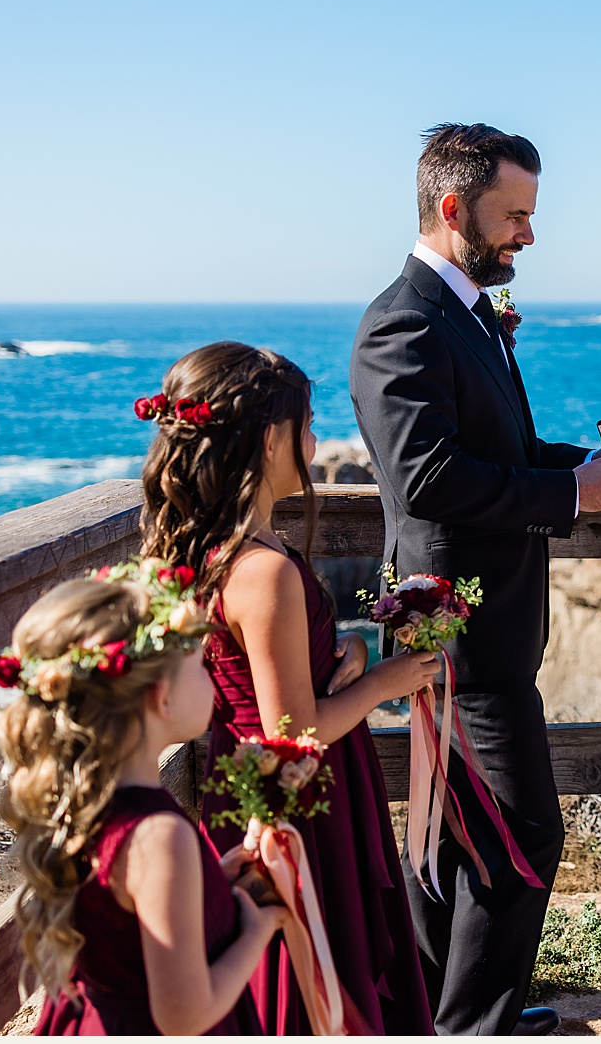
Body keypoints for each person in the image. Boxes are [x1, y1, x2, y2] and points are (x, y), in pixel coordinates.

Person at [349, 124, 601, 1035]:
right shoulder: (405, 319)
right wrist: (566, 490)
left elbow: (498, 453)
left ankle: (444, 1018)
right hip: (457, 629)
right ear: (453, 209)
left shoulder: (467, 314)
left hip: (490, 626)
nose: (528, 235)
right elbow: (427, 479)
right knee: (521, 837)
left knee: (459, 836)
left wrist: (583, 464)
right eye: (514, 215)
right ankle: (475, 1028)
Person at [136, 340, 440, 1034]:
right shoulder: (262, 569)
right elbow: (292, 731)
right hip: (297, 796)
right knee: (314, 965)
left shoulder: (216, 546)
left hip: (246, 778)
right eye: (307, 424)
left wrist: (352, 651)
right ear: (272, 440)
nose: (314, 437)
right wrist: (391, 680)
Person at [0, 571, 292, 1035]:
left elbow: (128, 917)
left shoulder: (86, 801)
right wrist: (258, 931)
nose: (212, 679)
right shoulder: (158, 835)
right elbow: (184, 1016)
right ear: (163, 698)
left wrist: (215, 882)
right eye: (200, 667)